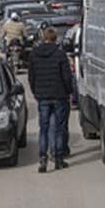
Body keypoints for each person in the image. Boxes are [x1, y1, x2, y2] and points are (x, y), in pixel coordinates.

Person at [28, 27, 74, 173]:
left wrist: (36, 92)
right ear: (55, 39)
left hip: (43, 97)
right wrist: (69, 92)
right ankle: (58, 159)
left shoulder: (34, 54)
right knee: (59, 128)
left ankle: (42, 159)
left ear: (43, 38)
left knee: (43, 128)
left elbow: (31, 77)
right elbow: (67, 77)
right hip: (59, 96)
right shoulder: (60, 55)